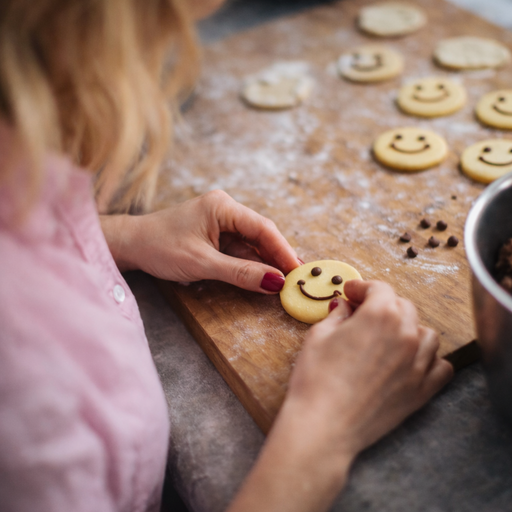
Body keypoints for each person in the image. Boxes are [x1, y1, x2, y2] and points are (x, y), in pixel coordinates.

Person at [0, 1, 454, 511]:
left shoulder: (25, 174)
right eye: (163, 41)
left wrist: (119, 236)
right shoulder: (21, 364)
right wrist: (324, 429)